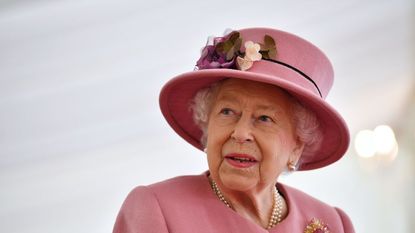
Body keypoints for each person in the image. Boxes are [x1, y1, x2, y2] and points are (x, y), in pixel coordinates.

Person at [113, 27, 355, 233]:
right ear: (207, 126)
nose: (240, 133)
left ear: (297, 146)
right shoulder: (156, 208)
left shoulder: (334, 223)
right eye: (227, 112)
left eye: (264, 118)